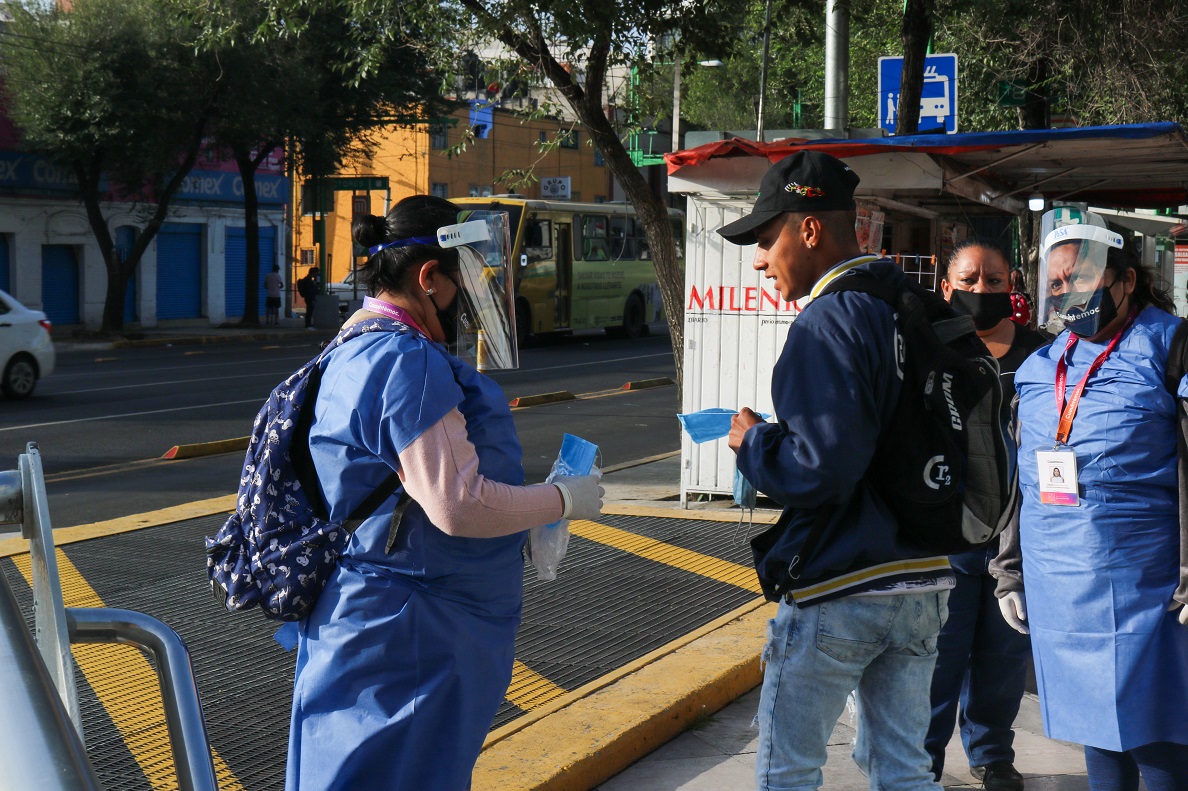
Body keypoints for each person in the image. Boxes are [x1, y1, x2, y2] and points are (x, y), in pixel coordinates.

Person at [285, 195, 604, 791]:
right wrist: (562, 500)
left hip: (381, 616)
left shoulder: (354, 349)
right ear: (429, 278)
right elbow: (458, 506)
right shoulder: (406, 362)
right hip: (415, 630)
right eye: (464, 281)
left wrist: (522, 518)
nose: (468, 301)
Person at [721, 150, 953, 790]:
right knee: (906, 769)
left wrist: (753, 441)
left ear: (810, 230)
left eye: (767, 239)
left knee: (787, 771)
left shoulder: (828, 321)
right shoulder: (911, 303)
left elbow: (819, 471)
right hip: (924, 580)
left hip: (842, 586)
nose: (760, 258)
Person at [992, 208, 1188, 790]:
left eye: (1082, 277)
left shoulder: (1172, 348)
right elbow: (1020, 479)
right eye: (1056, 283)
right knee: (1095, 726)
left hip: (1150, 585)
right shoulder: (1042, 364)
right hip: (1062, 589)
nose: (1068, 292)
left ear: (1126, 281)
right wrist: (1010, 567)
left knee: (1158, 730)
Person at [926, 239, 1046, 789]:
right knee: (936, 660)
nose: (981, 291)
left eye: (994, 281)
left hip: (1018, 539)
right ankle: (920, 759)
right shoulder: (928, 352)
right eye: (969, 280)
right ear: (946, 287)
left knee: (1002, 658)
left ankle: (992, 753)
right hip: (945, 536)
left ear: (1012, 285)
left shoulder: (1044, 355)